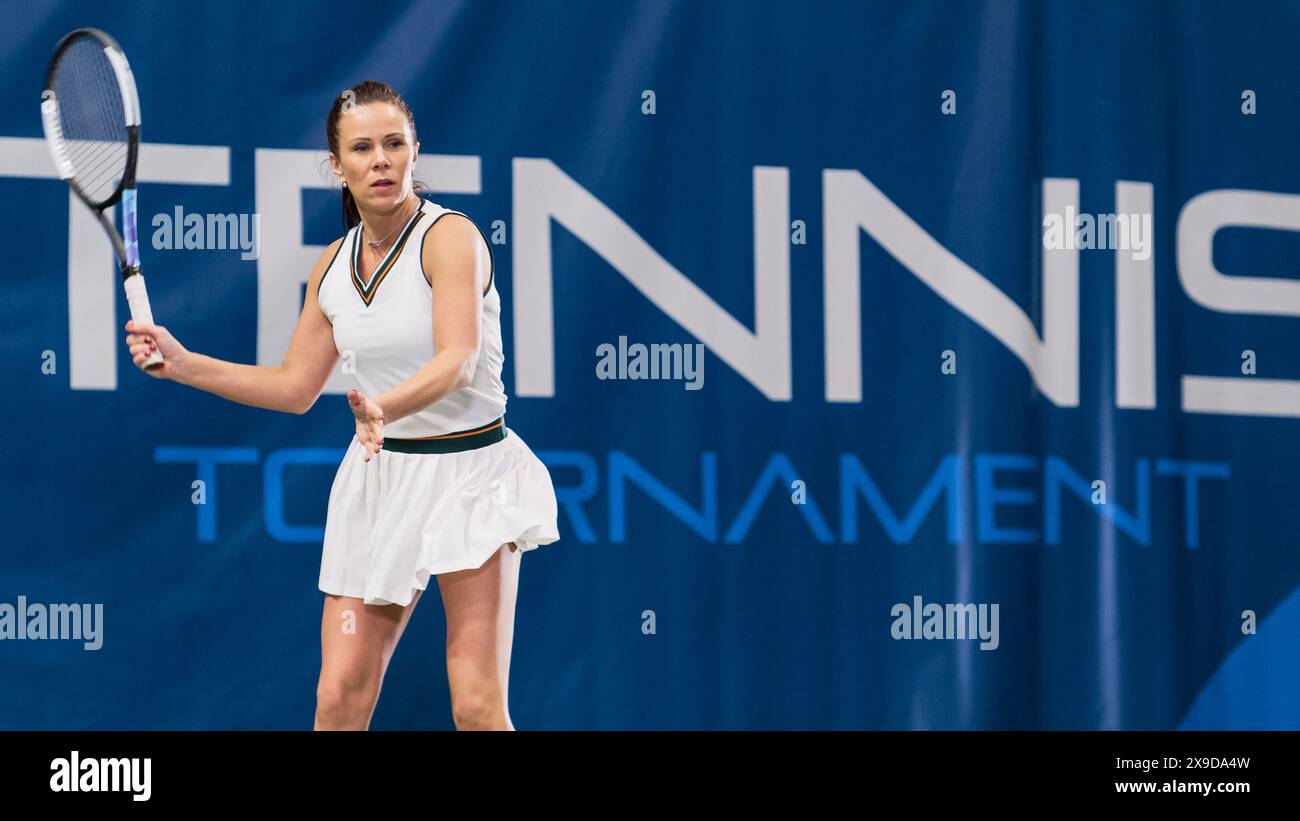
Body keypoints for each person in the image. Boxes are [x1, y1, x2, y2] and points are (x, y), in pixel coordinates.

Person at [123, 80, 560, 731]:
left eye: (393, 143)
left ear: (416, 151)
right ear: (338, 165)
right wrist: (186, 365)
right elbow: (296, 386)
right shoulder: (331, 266)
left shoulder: (450, 238)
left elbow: (459, 359)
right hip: (379, 481)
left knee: (475, 705)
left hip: (471, 473)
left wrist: (384, 405)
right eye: (362, 148)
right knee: (338, 698)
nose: (380, 160)